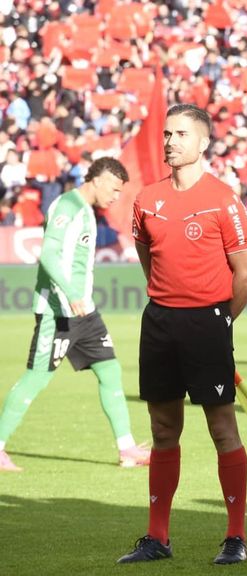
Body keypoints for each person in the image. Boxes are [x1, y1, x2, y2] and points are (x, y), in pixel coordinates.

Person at [118, 104, 247, 565]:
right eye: (167, 134)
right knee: (163, 429)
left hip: (208, 322)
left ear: (203, 142)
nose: (171, 141)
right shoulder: (147, 198)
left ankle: (235, 537)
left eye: (181, 134)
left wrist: (221, 320)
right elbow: (148, 258)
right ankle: (157, 538)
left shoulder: (223, 198)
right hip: (160, 322)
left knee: (222, 428)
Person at [0, 157, 150, 472]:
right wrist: (70, 292)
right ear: (98, 180)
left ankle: (127, 449)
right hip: (58, 312)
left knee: (110, 371)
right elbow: (48, 254)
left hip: (85, 312)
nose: (116, 196)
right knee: (36, 378)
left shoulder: (86, 211)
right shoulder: (67, 206)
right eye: (114, 189)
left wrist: (80, 297)